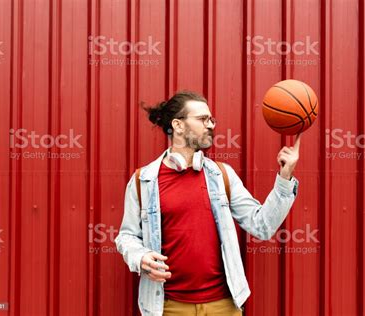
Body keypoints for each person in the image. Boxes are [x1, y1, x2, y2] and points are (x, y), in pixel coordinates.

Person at [115, 91, 300, 316]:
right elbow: (127, 237)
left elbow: (262, 226)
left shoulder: (221, 175)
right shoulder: (143, 180)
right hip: (167, 307)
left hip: (223, 305)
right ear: (178, 125)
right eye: (203, 119)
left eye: (211, 119)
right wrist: (141, 257)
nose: (211, 125)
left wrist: (285, 177)